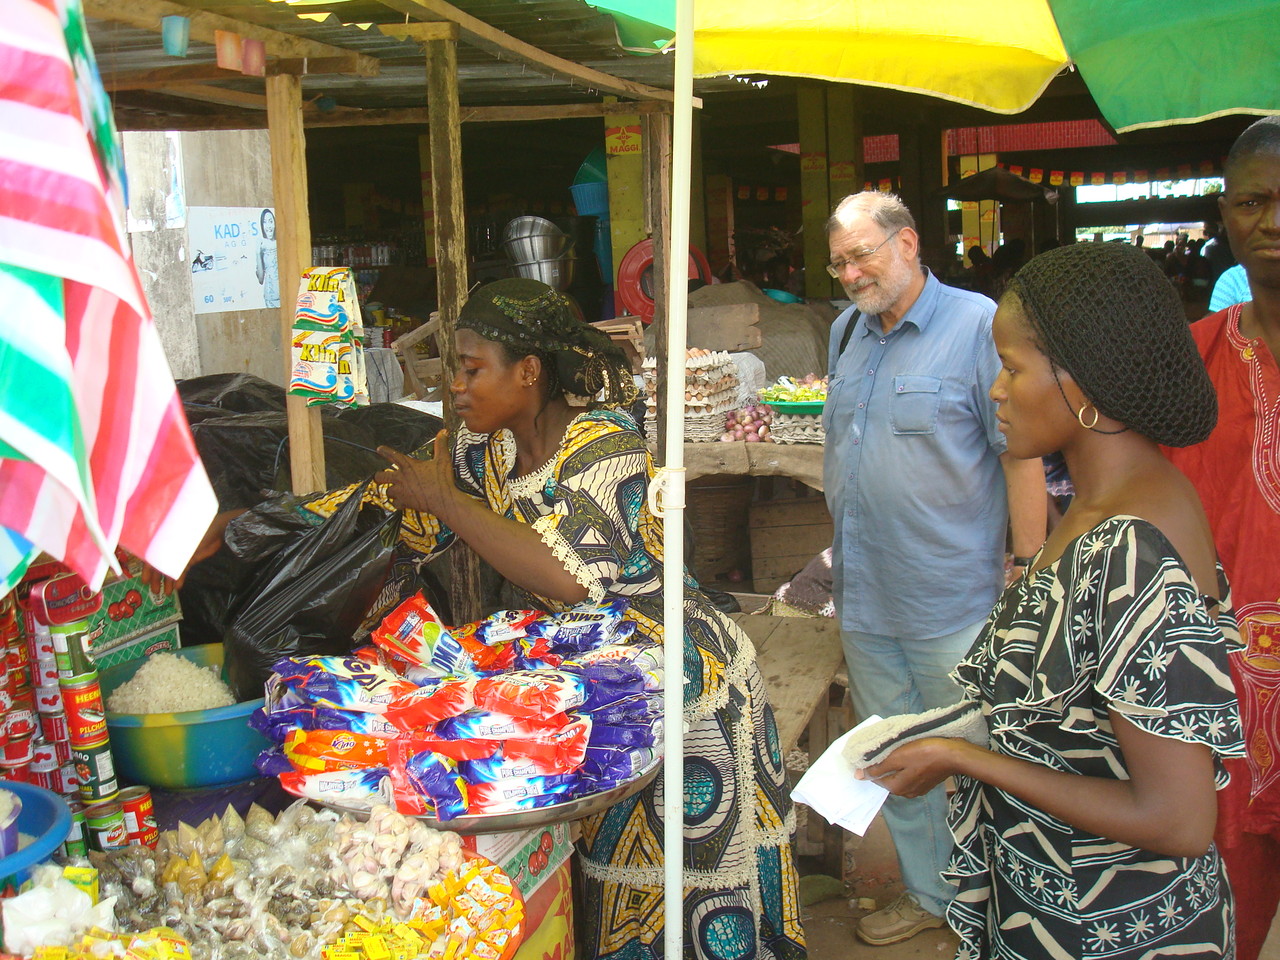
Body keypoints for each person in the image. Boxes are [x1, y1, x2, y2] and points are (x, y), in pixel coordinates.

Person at [158, 278, 807, 960]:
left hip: (685, 683)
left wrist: (446, 505)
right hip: (600, 696)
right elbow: (384, 506)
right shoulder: (485, 456)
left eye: (473, 371)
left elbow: (567, 574)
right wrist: (245, 526)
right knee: (619, 885)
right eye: (453, 372)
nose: (457, 389)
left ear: (528, 372)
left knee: (692, 881)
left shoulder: (605, 447)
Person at [862, 241, 1245, 960]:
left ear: (1085, 380)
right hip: (1054, 912)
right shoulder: (1102, 505)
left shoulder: (1132, 545)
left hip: (1120, 930)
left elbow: (1178, 817)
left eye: (1011, 368)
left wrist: (963, 757)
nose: (996, 390)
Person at [823, 191, 1046, 945]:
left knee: (984, 758)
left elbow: (1019, 454)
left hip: (956, 600)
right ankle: (931, 897)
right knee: (898, 758)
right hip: (867, 599)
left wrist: (1027, 565)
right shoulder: (844, 334)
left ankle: (1004, 905)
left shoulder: (979, 326)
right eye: (841, 261)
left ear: (909, 244)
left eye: (864, 254)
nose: (853, 273)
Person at [1164, 115, 1280, 960]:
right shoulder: (1188, 366)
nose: (1272, 220)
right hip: (1224, 715)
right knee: (1225, 932)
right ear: (1224, 213)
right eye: (1253, 201)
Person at [255, 207, 280, 309]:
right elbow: (260, 279)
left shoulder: (281, 242)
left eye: (270, 221)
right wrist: (258, 253)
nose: (268, 226)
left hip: (285, 294)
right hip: (270, 297)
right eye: (265, 222)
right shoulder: (262, 245)